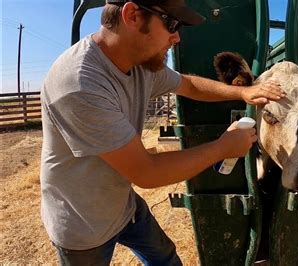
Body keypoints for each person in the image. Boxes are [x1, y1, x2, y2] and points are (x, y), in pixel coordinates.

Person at [39, 0, 284, 265]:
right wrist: (224, 148)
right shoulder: (79, 84)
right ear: (132, 15)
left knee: (166, 259)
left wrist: (242, 92)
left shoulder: (139, 64)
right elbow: (147, 171)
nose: (177, 36)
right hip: (82, 225)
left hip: (123, 205)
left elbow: (187, 85)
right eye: (171, 23)